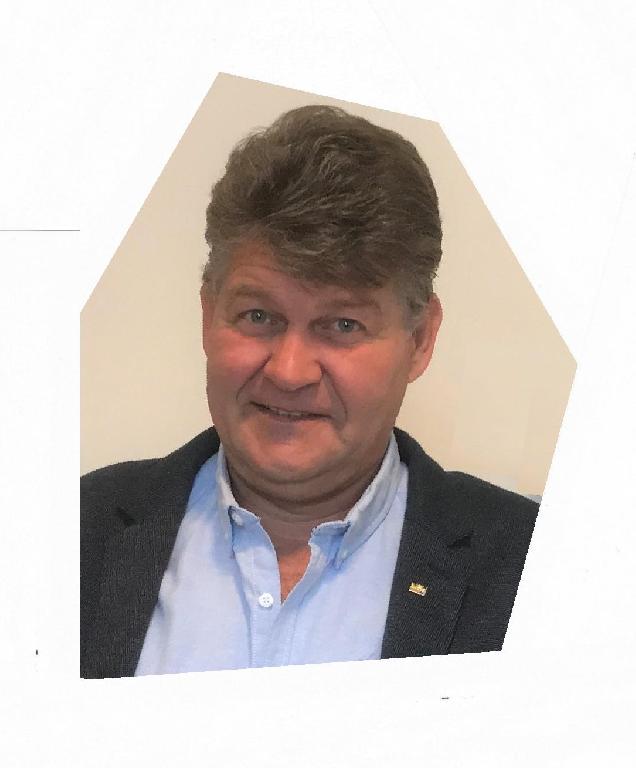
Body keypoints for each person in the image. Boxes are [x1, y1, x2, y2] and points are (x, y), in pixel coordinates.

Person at [80, 105, 537, 678]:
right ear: (207, 313)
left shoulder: (532, 568)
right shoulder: (74, 535)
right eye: (258, 315)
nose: (289, 372)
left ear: (420, 340)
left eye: (343, 324)